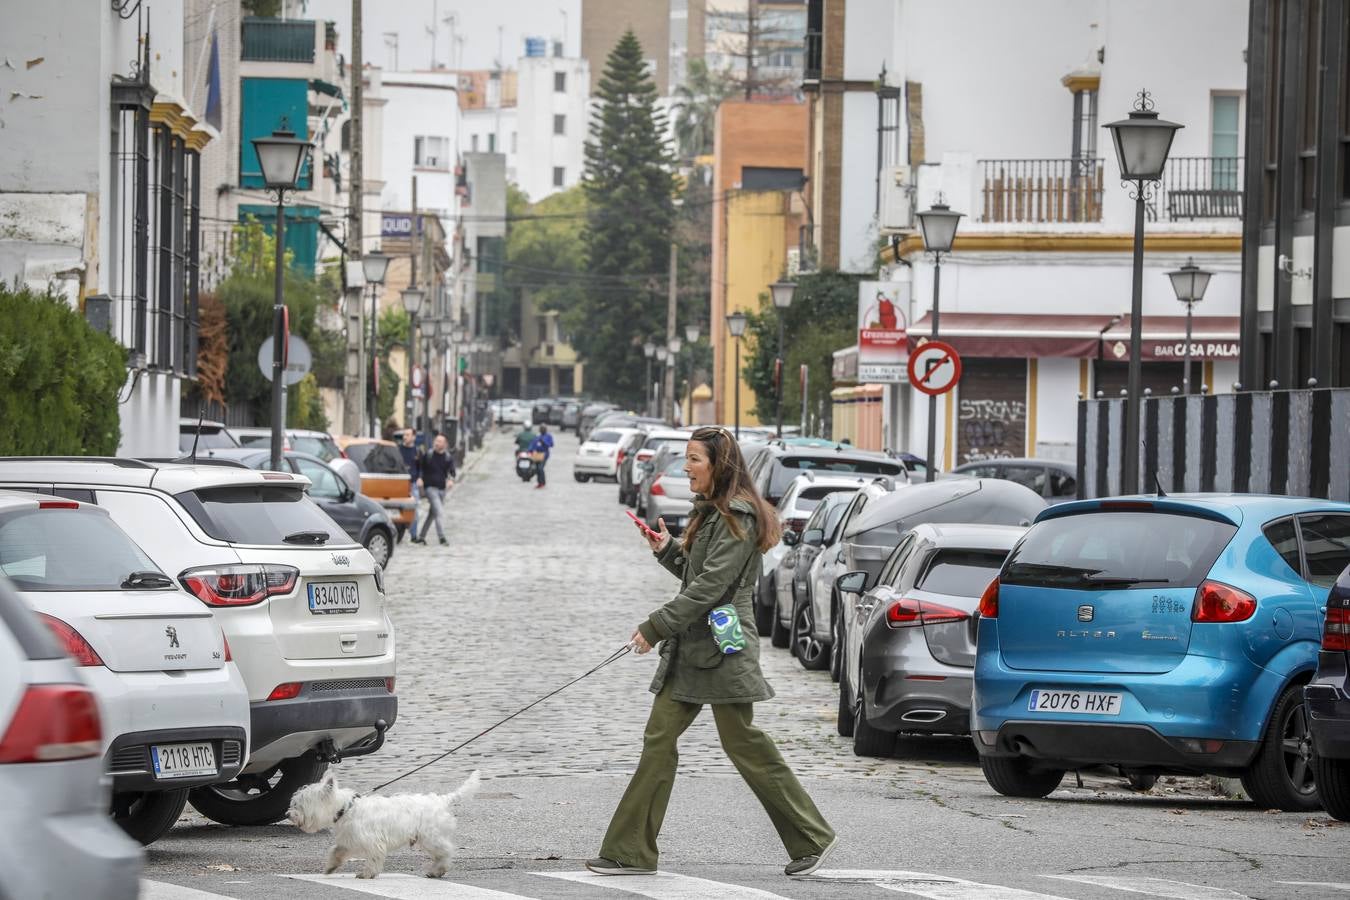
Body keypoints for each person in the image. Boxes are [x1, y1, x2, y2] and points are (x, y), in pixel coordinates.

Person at [587, 426, 837, 878]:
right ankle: (630, 851)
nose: (686, 467)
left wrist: (654, 627)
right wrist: (667, 550)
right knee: (659, 739)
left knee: (743, 742)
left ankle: (811, 836)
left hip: (724, 647)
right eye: (686, 459)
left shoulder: (737, 516)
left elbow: (712, 587)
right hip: (693, 646)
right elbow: (699, 573)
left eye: (694, 459)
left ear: (719, 465)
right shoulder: (716, 512)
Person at [413, 434, 455, 546]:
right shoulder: (429, 455)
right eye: (436, 440)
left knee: (432, 514)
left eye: (440, 441)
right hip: (430, 488)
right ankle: (442, 538)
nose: (437, 443)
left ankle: (421, 537)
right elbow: (421, 467)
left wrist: (451, 480)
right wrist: (420, 478)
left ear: (445, 444)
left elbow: (452, 472)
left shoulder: (448, 457)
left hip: (442, 489)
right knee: (439, 511)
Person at [398, 429, 423, 543]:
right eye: (404, 435)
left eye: (407, 435)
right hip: (400, 484)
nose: (405, 437)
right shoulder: (398, 450)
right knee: (399, 509)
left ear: (413, 437)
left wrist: (420, 478)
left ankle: (413, 535)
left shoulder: (417, 451)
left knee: (414, 510)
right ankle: (398, 533)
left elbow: (421, 467)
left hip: (412, 484)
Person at [528, 425, 554, 489]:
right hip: (537, 454)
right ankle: (539, 483)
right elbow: (533, 444)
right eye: (541, 429)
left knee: (540, 468)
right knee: (537, 469)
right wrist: (530, 451)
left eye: (543, 429)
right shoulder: (537, 437)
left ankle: (542, 482)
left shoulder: (548, 436)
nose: (542, 430)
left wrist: (543, 442)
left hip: (544, 454)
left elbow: (551, 445)